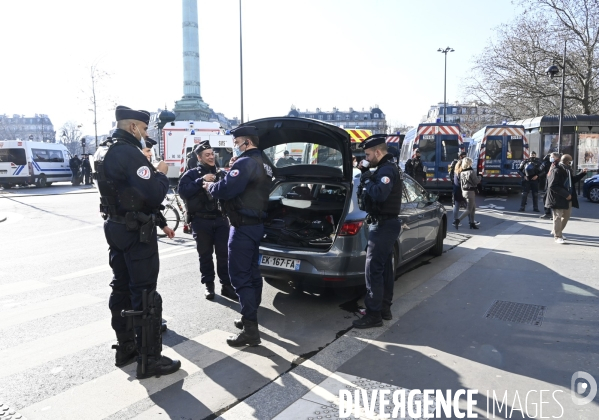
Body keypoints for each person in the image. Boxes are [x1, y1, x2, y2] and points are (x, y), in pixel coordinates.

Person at [93, 105, 181, 379]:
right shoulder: (128, 152)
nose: (144, 134)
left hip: (115, 227)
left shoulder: (103, 149)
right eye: (143, 129)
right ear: (133, 127)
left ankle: (126, 347)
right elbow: (152, 194)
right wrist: (162, 174)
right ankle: (150, 359)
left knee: (120, 287)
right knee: (145, 294)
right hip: (135, 232)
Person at [204, 126, 273, 346]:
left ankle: (251, 330)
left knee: (240, 277)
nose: (235, 145)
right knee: (253, 274)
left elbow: (225, 190)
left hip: (242, 226)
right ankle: (249, 317)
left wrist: (210, 186)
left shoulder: (245, 162)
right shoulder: (265, 162)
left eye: (236, 142)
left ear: (246, 142)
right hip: (257, 224)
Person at [353, 135, 402, 329]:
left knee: (373, 270)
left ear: (378, 152)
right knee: (384, 270)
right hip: (385, 224)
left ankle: (373, 315)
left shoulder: (387, 169)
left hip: (383, 226)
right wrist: (367, 171)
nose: (366, 157)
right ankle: (383, 308)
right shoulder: (384, 168)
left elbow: (380, 193)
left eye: (367, 154)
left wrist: (365, 179)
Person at [178, 140, 238, 301]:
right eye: (207, 155)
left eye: (212, 154)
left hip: (220, 220)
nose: (211, 157)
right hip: (201, 221)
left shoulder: (221, 173)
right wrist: (201, 181)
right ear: (199, 158)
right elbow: (183, 192)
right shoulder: (190, 174)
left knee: (224, 255)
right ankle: (209, 285)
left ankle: (227, 285)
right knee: (205, 255)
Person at [546, 154, 587, 244]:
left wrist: (582, 173)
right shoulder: (557, 169)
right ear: (567, 161)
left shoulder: (567, 169)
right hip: (558, 197)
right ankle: (557, 236)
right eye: (570, 161)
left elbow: (572, 180)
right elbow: (553, 185)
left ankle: (557, 231)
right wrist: (565, 194)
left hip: (567, 196)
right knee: (558, 216)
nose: (571, 163)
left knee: (566, 216)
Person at [455, 157, 481, 230]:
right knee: (469, 209)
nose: (472, 164)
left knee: (473, 208)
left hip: (464, 191)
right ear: (469, 163)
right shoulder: (471, 172)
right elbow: (476, 181)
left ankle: (472, 223)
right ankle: (458, 220)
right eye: (471, 162)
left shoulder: (462, 172)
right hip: (470, 191)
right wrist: (480, 177)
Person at [450, 152, 467, 227]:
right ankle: (456, 220)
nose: (464, 157)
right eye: (463, 156)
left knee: (466, 206)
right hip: (459, 188)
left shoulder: (462, 164)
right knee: (466, 206)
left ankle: (471, 220)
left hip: (458, 188)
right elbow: (451, 174)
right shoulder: (456, 164)